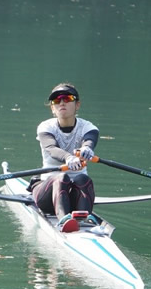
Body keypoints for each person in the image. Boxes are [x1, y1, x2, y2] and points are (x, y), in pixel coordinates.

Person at [28, 83, 99, 221]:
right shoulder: (46, 127)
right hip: (47, 195)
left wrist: (87, 148)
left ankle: (83, 218)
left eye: (67, 99)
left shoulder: (89, 127)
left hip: (74, 193)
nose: (61, 103)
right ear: (52, 109)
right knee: (62, 178)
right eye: (56, 100)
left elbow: (89, 140)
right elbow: (51, 148)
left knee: (83, 179)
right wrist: (68, 157)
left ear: (77, 105)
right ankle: (64, 221)